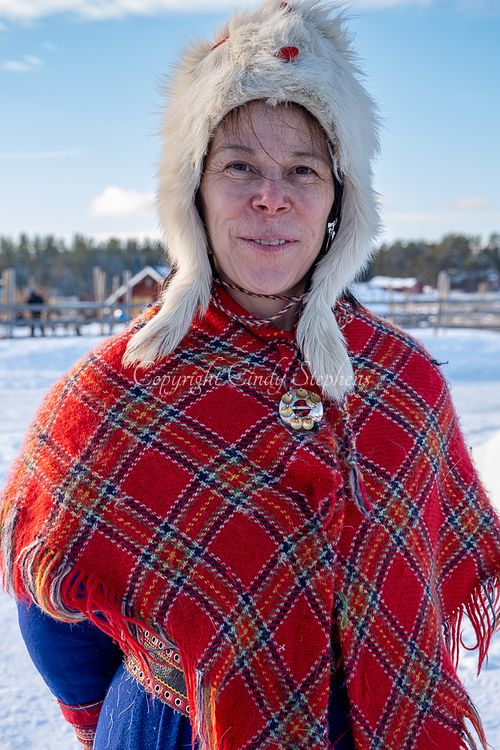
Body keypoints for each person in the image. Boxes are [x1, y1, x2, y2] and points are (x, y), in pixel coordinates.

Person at [1, 2, 499, 749]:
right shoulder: (113, 392)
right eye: (240, 166)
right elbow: (58, 615)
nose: (273, 197)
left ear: (339, 202)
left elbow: (425, 580)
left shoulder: (403, 381)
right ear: (193, 191)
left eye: (303, 169)